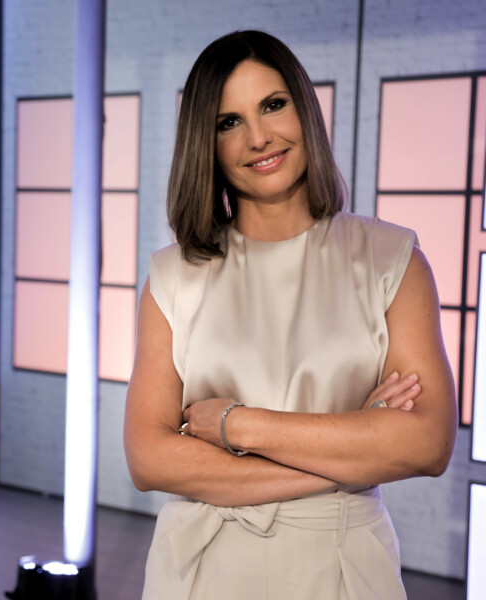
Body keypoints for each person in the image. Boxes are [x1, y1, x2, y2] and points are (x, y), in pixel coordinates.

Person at [123, 30, 457, 599]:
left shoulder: (391, 260)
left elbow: (426, 444)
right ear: (206, 144)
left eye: (273, 105)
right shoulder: (174, 275)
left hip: (343, 566)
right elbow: (148, 460)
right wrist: (355, 447)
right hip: (202, 570)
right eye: (229, 122)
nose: (258, 137)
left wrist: (234, 425)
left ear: (304, 109)